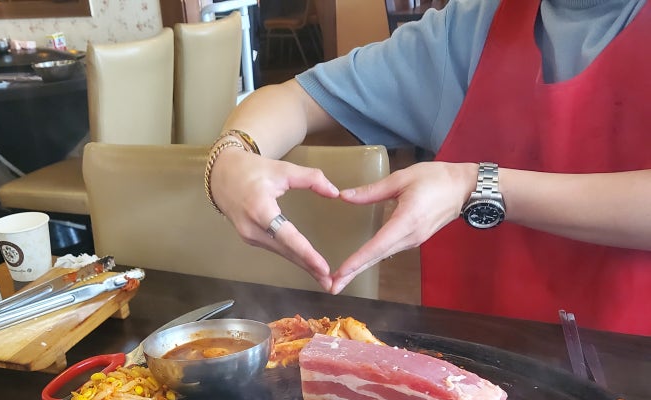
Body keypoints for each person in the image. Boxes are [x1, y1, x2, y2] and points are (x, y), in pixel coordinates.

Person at [205, 0, 651, 336]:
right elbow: (296, 100)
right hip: (479, 375)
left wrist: (472, 185)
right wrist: (232, 156)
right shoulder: (470, 29)